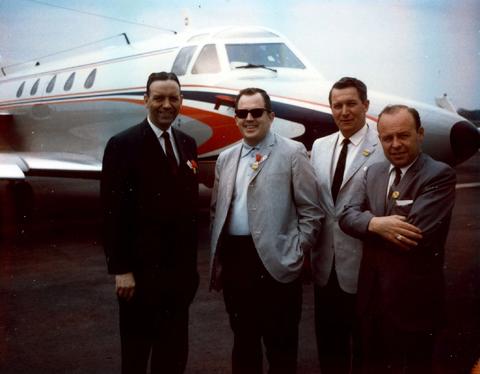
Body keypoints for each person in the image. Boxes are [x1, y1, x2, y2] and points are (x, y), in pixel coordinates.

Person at [209, 87, 323, 373]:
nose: (249, 118)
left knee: (281, 347)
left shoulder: (293, 153)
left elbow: (311, 211)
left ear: (270, 116)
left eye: (256, 112)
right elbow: (217, 210)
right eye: (242, 113)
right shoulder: (226, 159)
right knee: (244, 343)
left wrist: (296, 252)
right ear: (235, 118)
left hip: (277, 262)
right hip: (237, 262)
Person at [339, 105, 456, 373]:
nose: (395, 144)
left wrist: (364, 223)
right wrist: (375, 223)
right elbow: (345, 215)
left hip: (414, 305)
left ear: (420, 134)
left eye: (403, 135)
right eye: (387, 138)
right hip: (372, 301)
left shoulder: (439, 174)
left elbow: (414, 234)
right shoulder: (374, 172)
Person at [101, 72, 199, 374]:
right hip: (139, 278)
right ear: (145, 101)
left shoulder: (187, 143)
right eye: (159, 98)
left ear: (181, 101)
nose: (166, 105)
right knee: (136, 357)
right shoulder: (122, 144)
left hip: (179, 278)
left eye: (173, 98)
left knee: (173, 357)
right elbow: (111, 212)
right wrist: (121, 270)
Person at [310, 77, 385, 373]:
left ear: (366, 105)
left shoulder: (383, 146)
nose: (344, 111)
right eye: (337, 105)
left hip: (365, 267)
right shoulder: (319, 146)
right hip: (324, 267)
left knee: (367, 351)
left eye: (351, 104)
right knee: (329, 349)